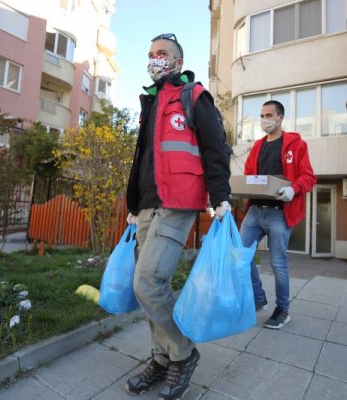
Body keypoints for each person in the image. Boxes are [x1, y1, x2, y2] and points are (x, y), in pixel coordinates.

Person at [124, 33, 232, 400]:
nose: (156, 58)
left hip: (178, 203)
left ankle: (183, 353)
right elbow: (142, 161)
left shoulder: (194, 96)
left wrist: (220, 197)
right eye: (151, 53)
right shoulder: (150, 101)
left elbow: (216, 148)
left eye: (163, 53)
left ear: (178, 61)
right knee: (149, 285)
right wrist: (132, 205)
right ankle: (161, 356)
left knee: (148, 282)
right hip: (147, 207)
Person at [239, 100, 316, 329]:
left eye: (269, 115)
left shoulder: (296, 144)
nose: (264, 119)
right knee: (240, 256)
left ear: (280, 117)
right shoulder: (257, 147)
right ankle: (257, 298)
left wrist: (293, 188)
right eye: (262, 115)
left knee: (278, 263)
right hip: (254, 211)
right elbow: (248, 175)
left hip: (279, 213)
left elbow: (309, 176)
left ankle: (283, 309)